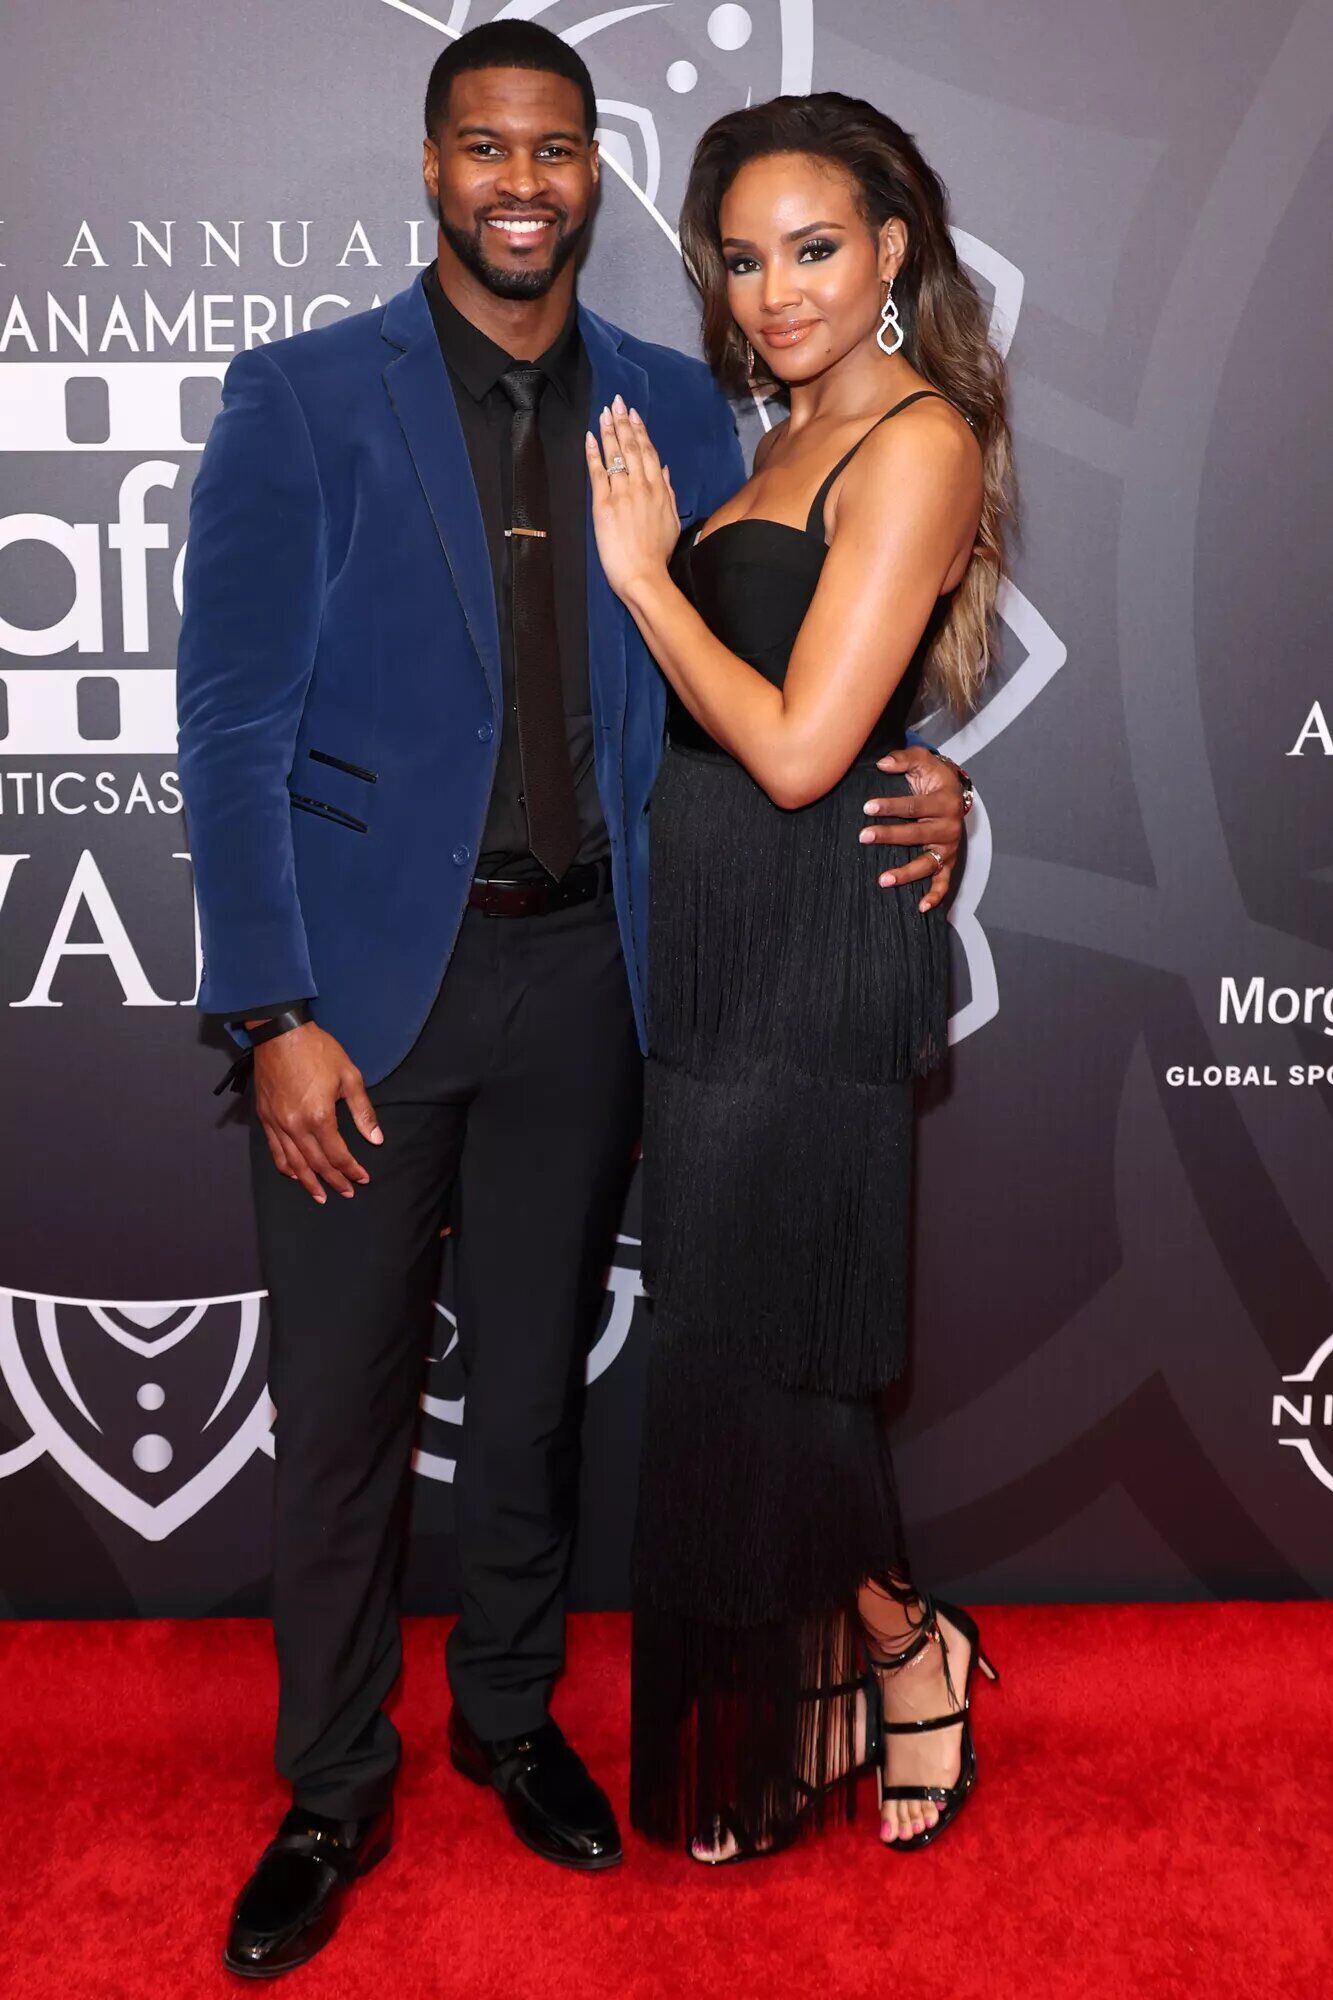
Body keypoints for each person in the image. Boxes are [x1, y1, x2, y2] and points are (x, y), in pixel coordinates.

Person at [177, 23, 966, 1977]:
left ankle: (512, 1720)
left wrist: (936, 784)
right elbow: (228, 721)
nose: (520, 182)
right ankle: (334, 1783)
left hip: (602, 980)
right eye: (482, 148)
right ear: (431, 166)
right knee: (345, 1418)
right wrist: (268, 999)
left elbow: (790, 656)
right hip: (358, 1005)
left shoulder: (684, 412)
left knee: (528, 1399)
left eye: (554, 150)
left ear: (593, 176)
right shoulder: (298, 400)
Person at [586, 92, 1009, 1864]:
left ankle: (904, 1652)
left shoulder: (912, 438)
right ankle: (841, 1676)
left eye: (814, 250)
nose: (774, 292)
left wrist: (643, 578)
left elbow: (793, 746)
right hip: (713, 952)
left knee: (778, 1347)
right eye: (742, 260)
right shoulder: (774, 431)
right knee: (745, 1349)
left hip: (811, 953)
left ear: (893, 248)